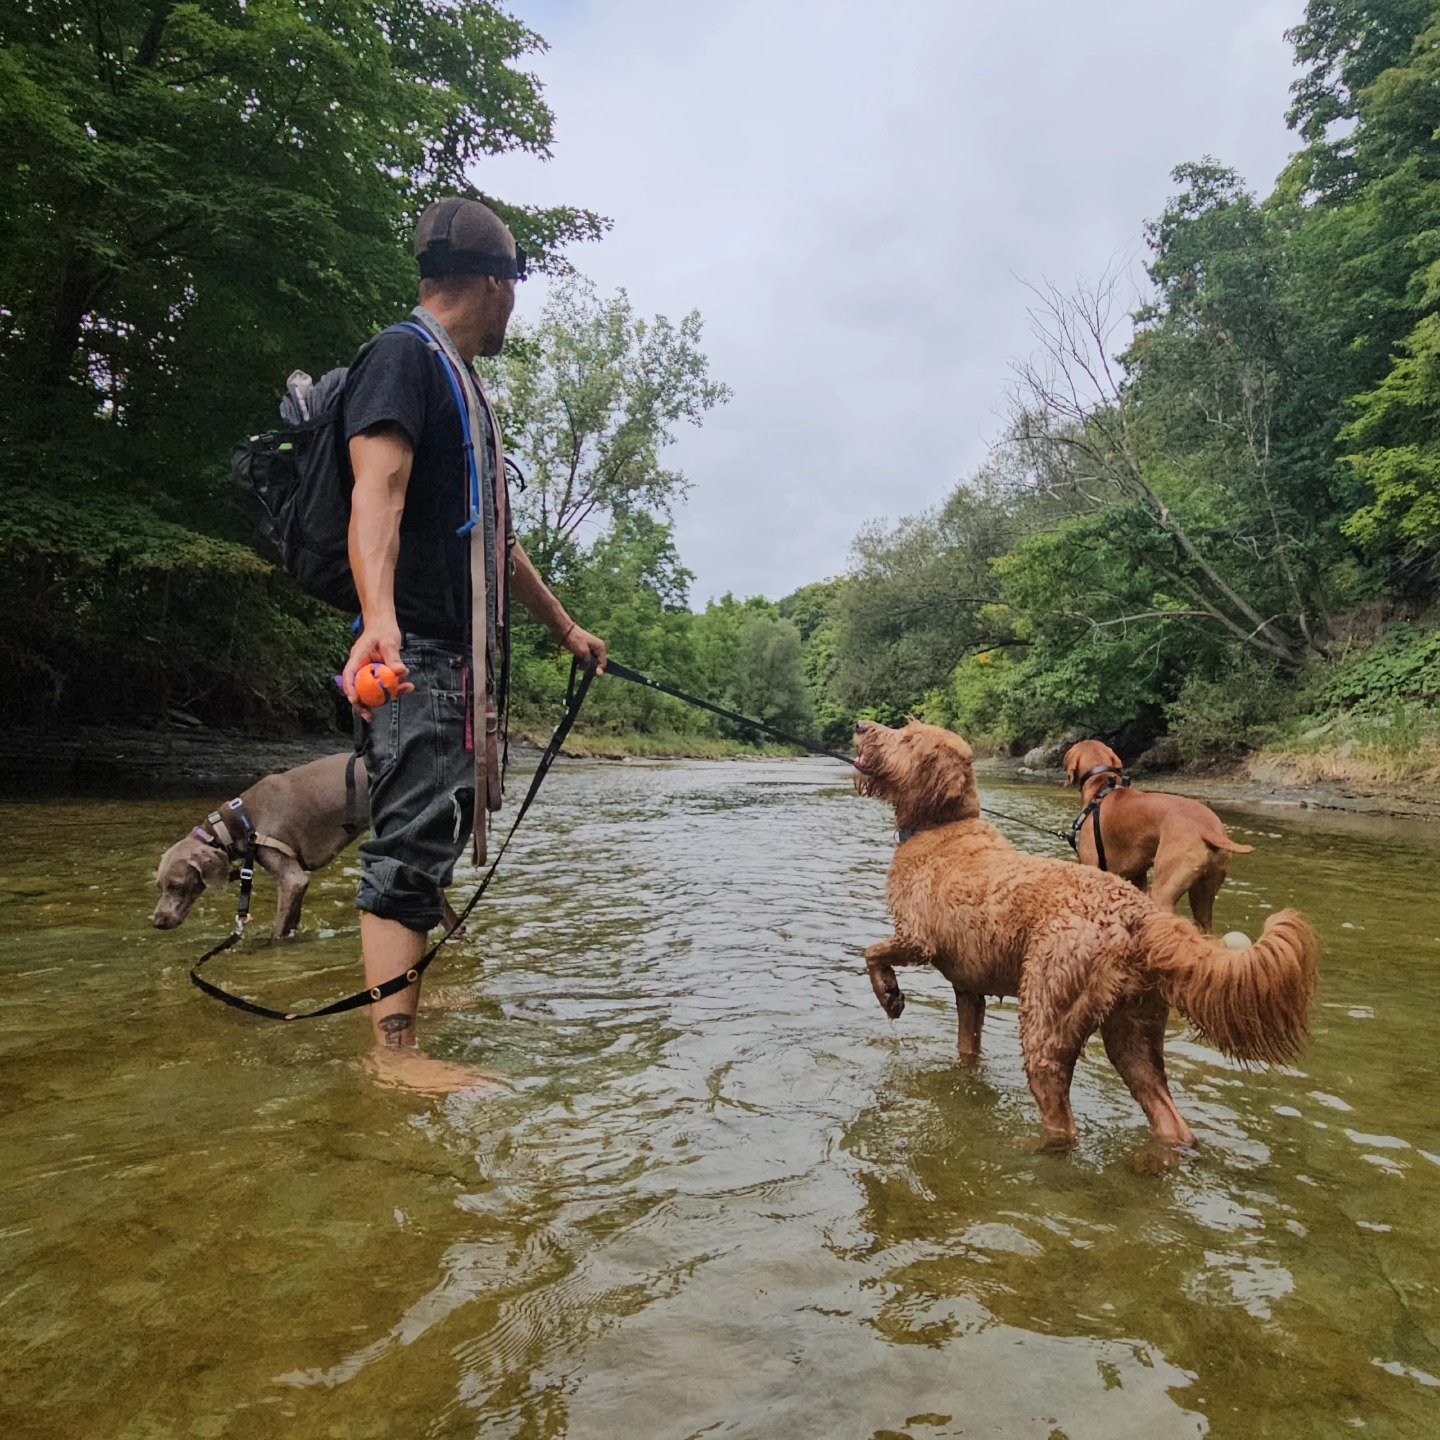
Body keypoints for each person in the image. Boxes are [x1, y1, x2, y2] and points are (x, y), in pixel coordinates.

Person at [340, 196, 606, 1092]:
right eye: (515, 290)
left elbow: (495, 534)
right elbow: (378, 483)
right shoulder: (403, 358)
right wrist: (380, 619)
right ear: (497, 285)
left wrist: (565, 628)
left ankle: (405, 987)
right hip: (415, 647)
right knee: (413, 836)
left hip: (460, 653)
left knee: (440, 825)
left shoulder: (457, 378)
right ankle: (393, 1056)